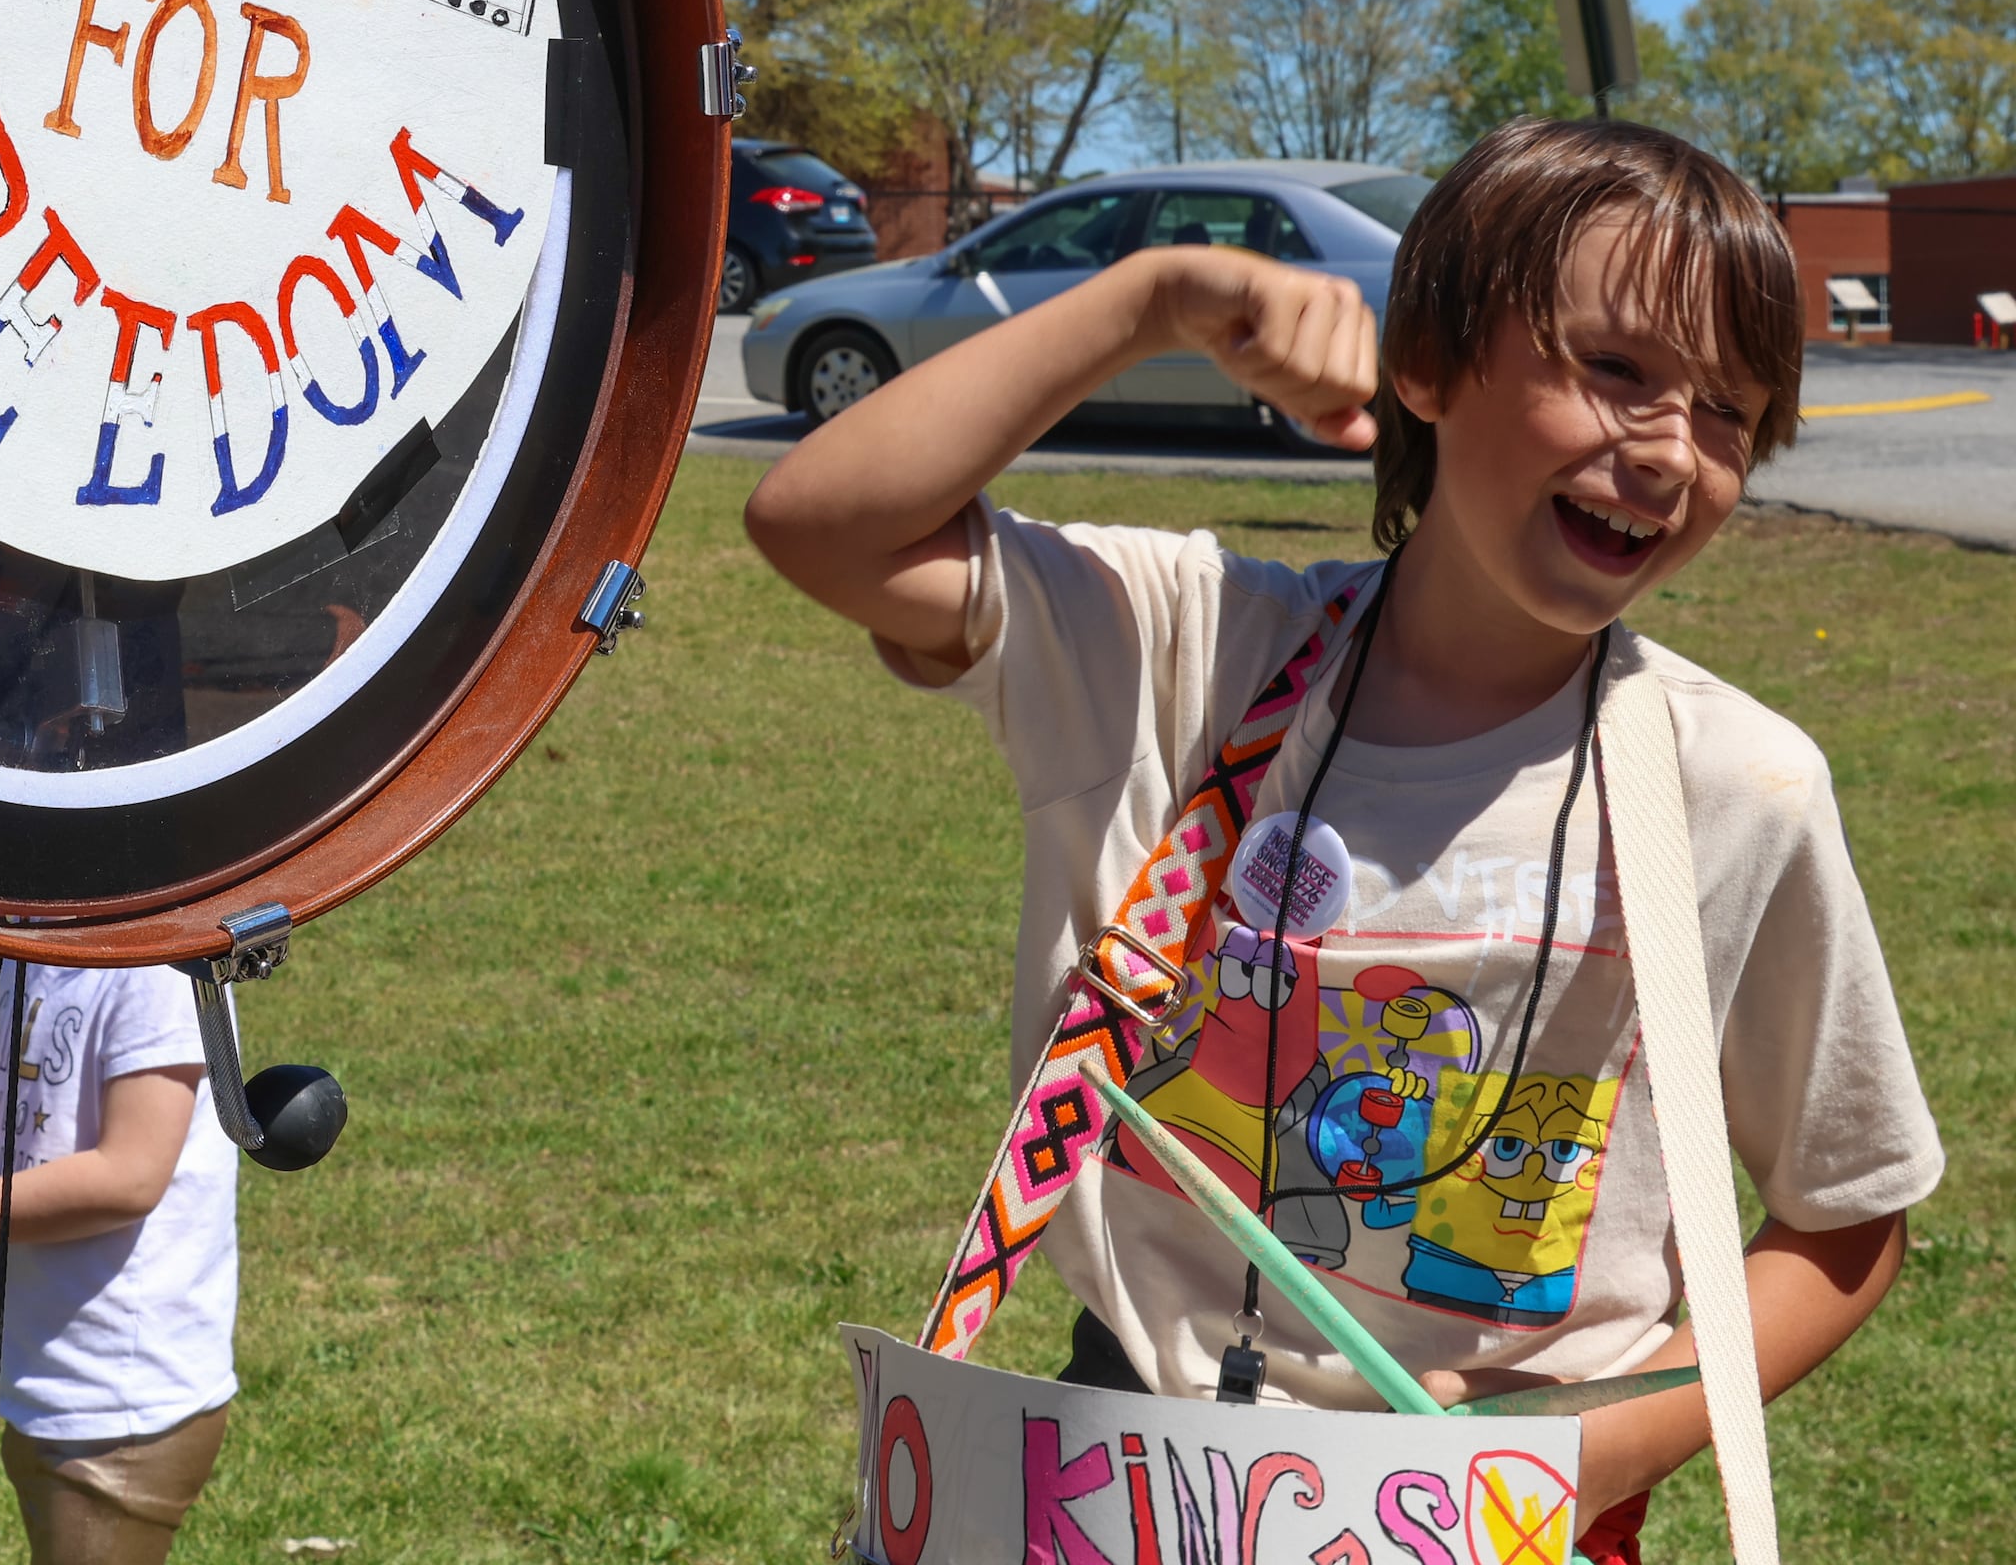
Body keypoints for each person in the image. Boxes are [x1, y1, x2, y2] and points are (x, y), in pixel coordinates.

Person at [744, 117, 1941, 1559]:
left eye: (1733, 412)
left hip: (1515, 1511)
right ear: (1426, 364)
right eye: (1617, 370)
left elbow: (1847, 1218)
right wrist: (1156, 299)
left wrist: (1595, 1447)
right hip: (1130, 1478)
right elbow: (823, 524)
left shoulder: (1738, 787)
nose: (1673, 450)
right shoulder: (1188, 653)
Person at [0, 962, 238, 1565]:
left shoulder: (157, 965)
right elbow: (26, 1125)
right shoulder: (41, 934)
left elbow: (127, 1177)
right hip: (54, 1377)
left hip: (120, 1403)